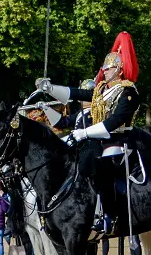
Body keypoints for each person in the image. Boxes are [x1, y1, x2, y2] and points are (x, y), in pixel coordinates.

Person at [36, 32, 140, 234]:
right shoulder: (102, 90)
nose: (104, 71)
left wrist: (83, 133)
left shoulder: (128, 92)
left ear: (118, 69)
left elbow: (113, 122)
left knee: (100, 169)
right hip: (100, 142)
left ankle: (110, 215)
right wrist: (50, 88)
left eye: (108, 68)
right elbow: (77, 93)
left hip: (118, 142)